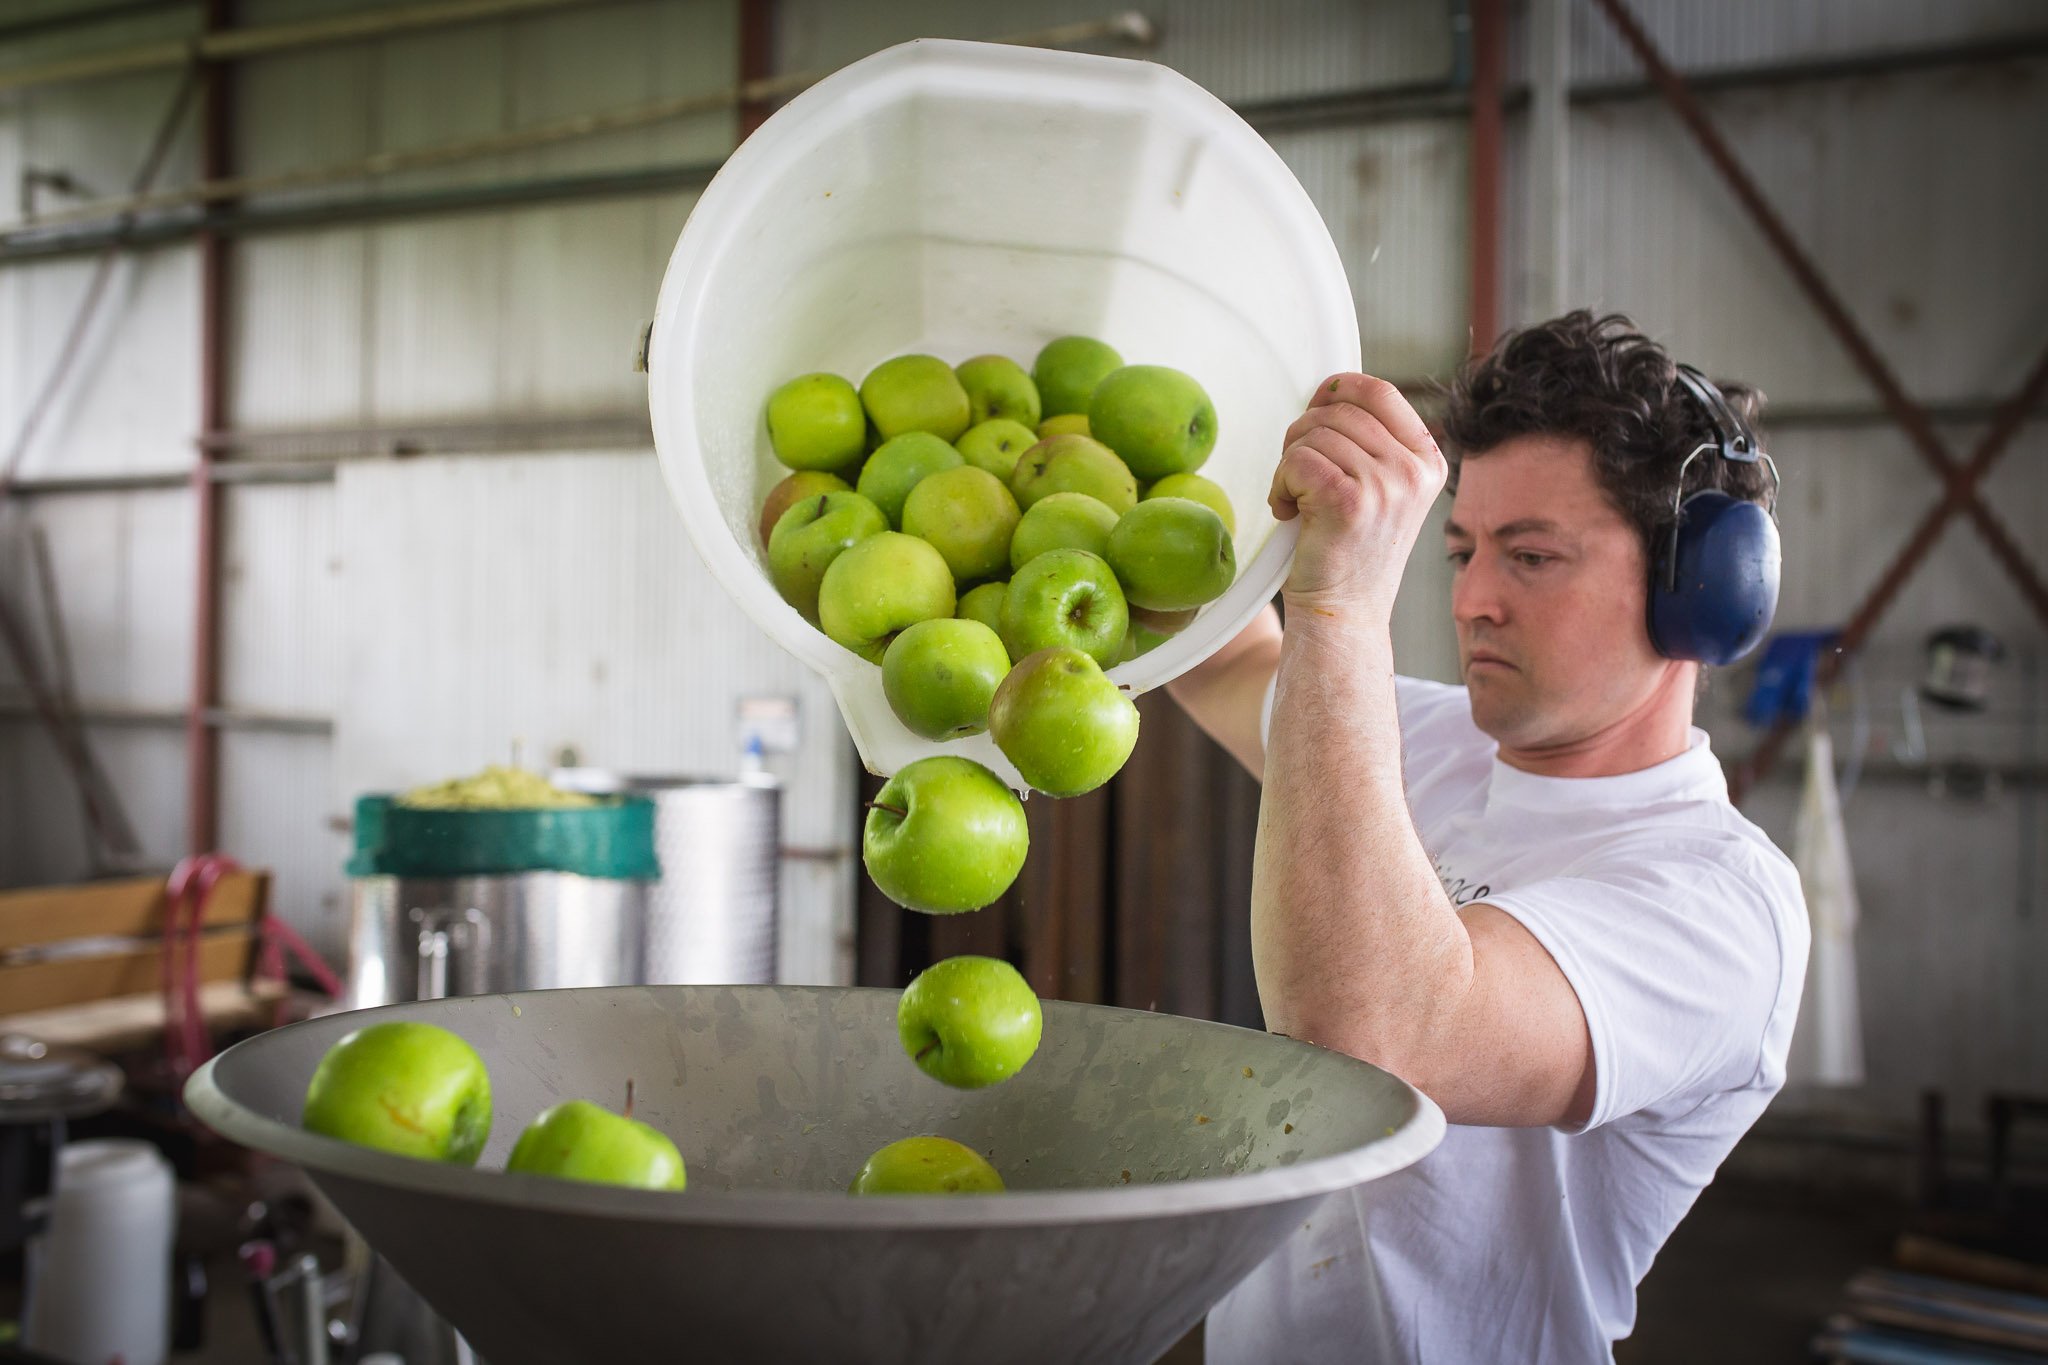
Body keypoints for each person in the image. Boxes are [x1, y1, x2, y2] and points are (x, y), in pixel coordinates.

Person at [1174, 312, 1810, 1363]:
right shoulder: (1421, 741)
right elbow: (1220, 661)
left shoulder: (1720, 903)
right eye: (1462, 550)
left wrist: (1335, 612)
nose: (1472, 600)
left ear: (1695, 591)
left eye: (1530, 557)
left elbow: (1373, 1037)